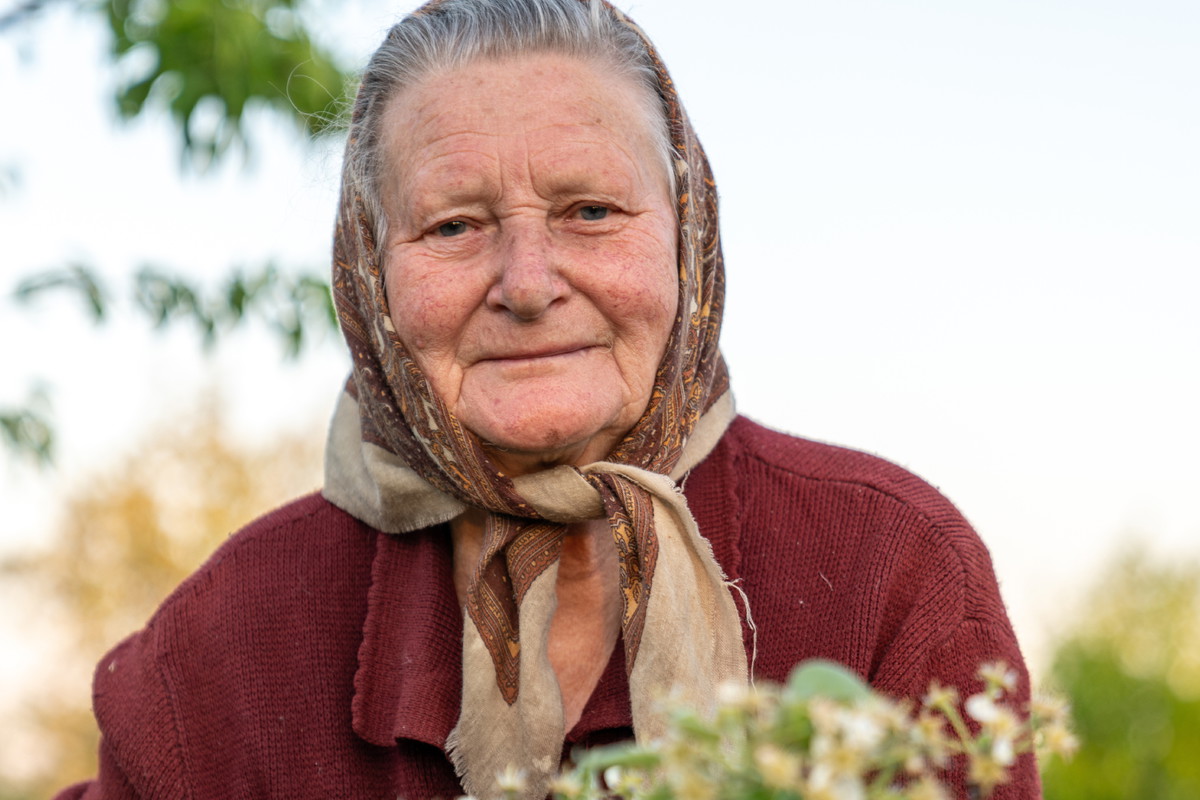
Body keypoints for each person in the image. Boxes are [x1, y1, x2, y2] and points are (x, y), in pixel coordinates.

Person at [56, 0, 1039, 798]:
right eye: (453, 225)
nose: (527, 282)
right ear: (370, 275)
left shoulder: (886, 566)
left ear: (686, 234)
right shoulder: (237, 635)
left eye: (591, 211)